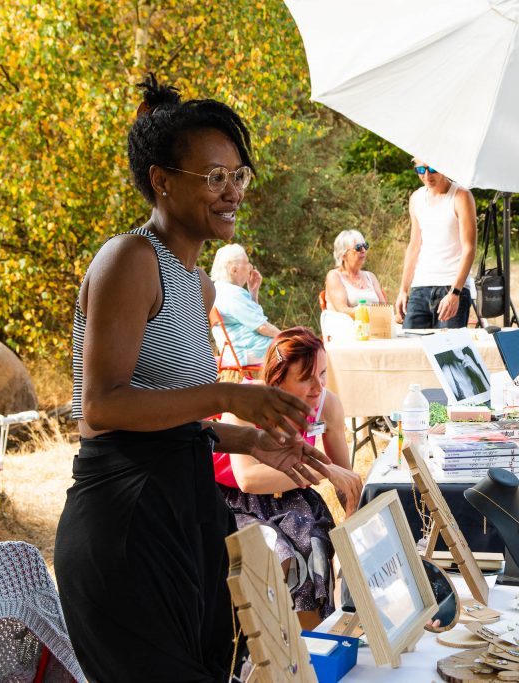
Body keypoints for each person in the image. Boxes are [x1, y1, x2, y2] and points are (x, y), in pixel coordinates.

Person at [54, 74, 330, 682]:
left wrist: (247, 439)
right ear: (160, 180)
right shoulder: (129, 259)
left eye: (237, 175)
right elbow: (102, 408)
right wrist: (230, 395)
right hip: (126, 523)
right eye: (213, 177)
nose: (230, 191)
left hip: (184, 511)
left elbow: (171, 416)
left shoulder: (198, 283)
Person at [213, 327, 362, 629]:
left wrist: (355, 524)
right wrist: (321, 471)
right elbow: (248, 479)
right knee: (278, 554)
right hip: (238, 502)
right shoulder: (246, 404)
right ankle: (267, 645)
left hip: (292, 493)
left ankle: (312, 644)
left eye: (322, 373)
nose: (318, 387)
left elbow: (344, 477)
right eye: (306, 378)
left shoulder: (325, 404)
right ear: (277, 378)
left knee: (314, 545)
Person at [395, 160, 477, 329]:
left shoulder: (461, 196)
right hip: (420, 287)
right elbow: (414, 245)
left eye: (432, 169)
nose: (426, 175)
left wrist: (455, 292)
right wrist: (403, 289)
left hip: (451, 285)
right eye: (420, 169)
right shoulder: (416, 198)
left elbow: (469, 248)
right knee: (411, 349)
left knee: (446, 353)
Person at [211, 243, 280, 364]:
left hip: (236, 350)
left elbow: (254, 320)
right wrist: (288, 337)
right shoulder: (233, 294)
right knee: (298, 349)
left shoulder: (218, 289)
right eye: (247, 262)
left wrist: (253, 292)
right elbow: (262, 327)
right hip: (246, 351)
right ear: (234, 269)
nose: (251, 267)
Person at [325, 229, 386, 316]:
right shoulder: (334, 276)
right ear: (343, 254)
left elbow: (383, 307)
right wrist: (369, 314)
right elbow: (342, 310)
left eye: (365, 246)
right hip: (348, 326)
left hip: (374, 326)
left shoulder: (370, 276)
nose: (363, 250)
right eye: (358, 248)